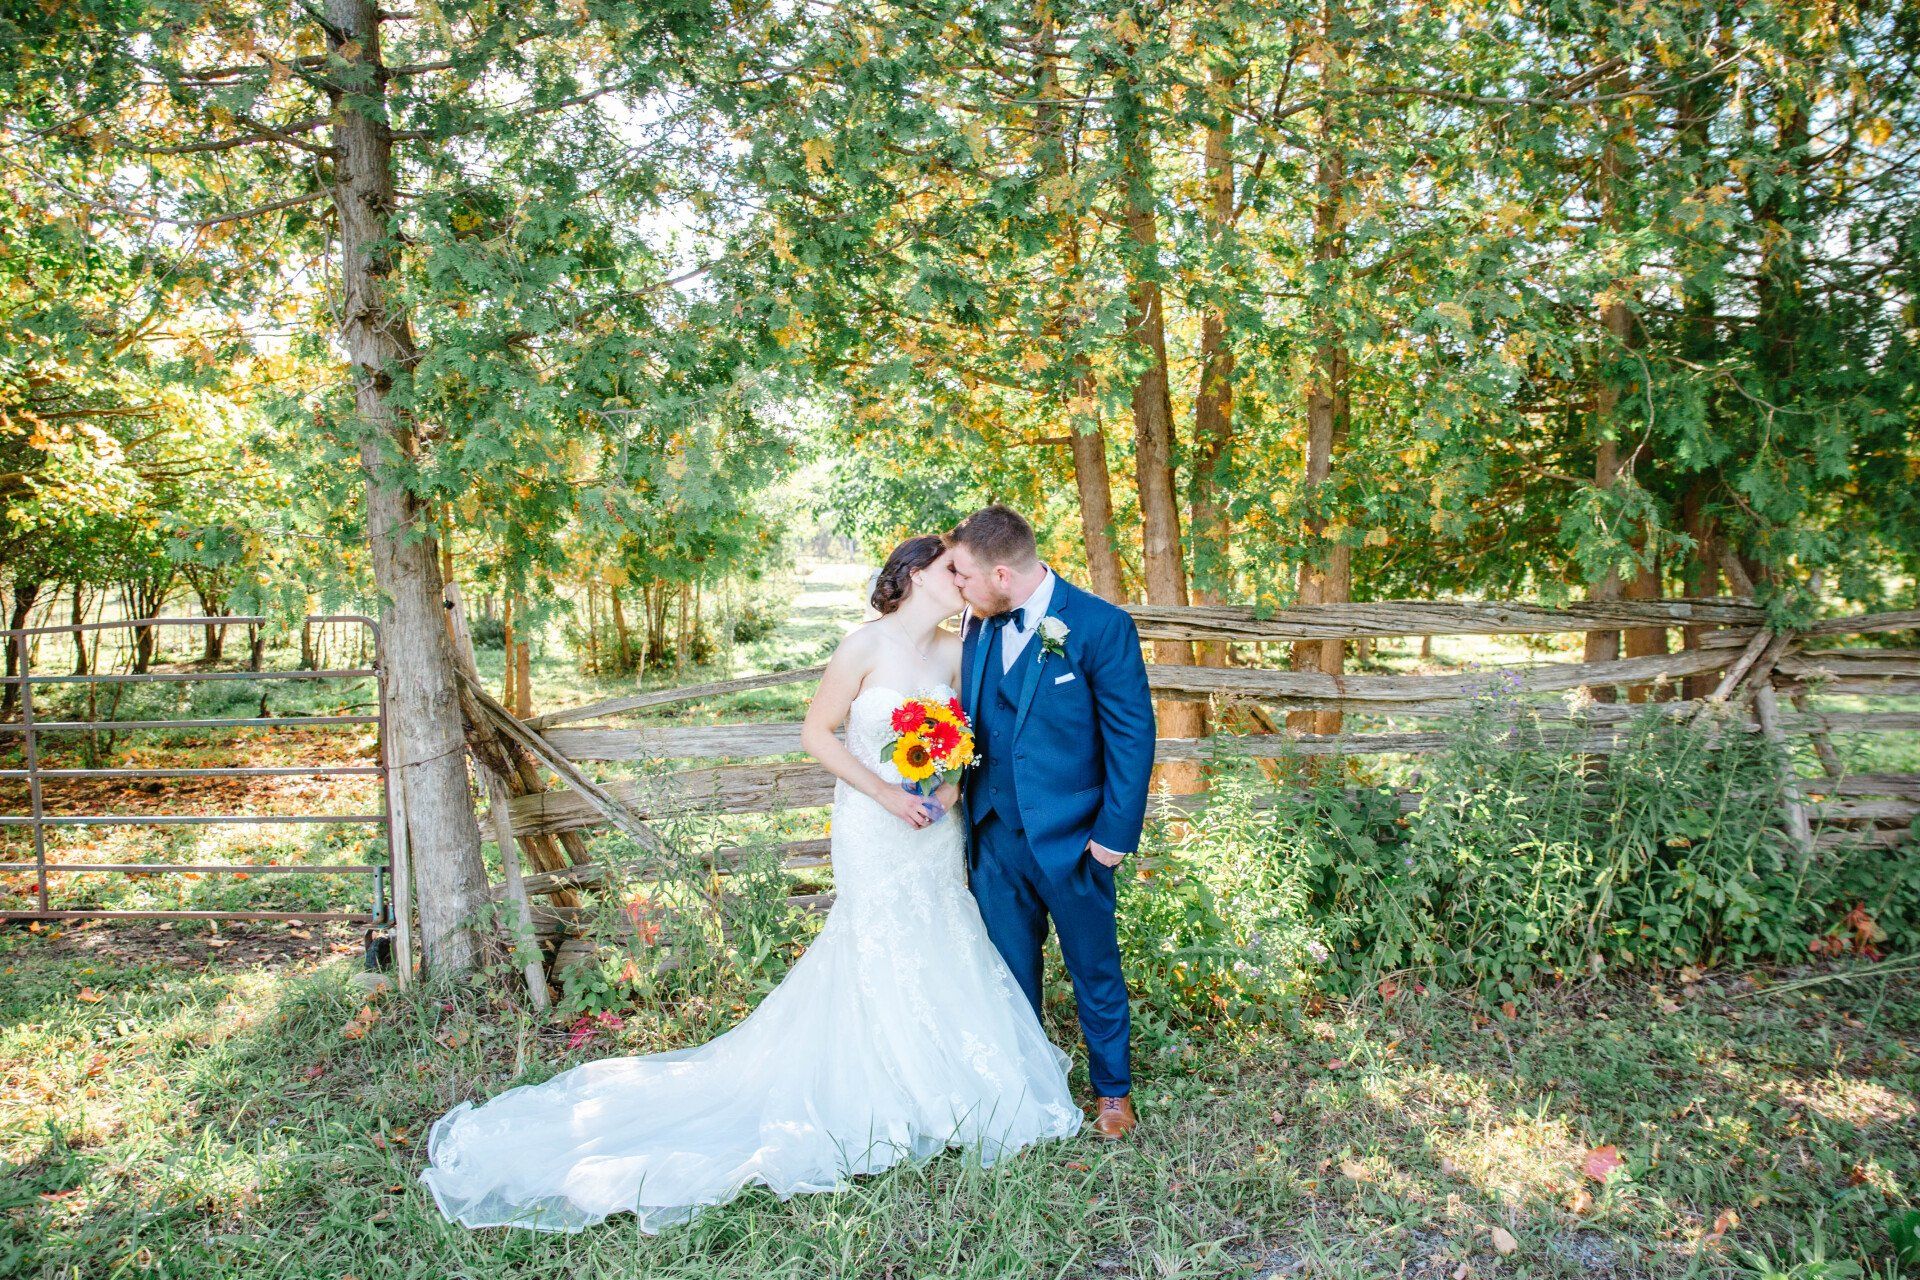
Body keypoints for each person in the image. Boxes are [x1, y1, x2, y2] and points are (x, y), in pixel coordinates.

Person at [419, 534, 1080, 1233]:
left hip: (933, 827)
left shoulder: (958, 651)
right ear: (915, 574)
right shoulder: (863, 646)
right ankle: (879, 1082)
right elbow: (817, 734)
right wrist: (887, 795)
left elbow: (968, 741)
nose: (965, 580)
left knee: (941, 926)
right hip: (873, 821)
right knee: (877, 933)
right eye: (952, 569)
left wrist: (945, 793)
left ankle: (943, 1079)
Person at [946, 505, 1155, 1139]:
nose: (957, 586)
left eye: (964, 575)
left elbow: (1132, 736)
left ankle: (1112, 1092)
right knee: (1009, 970)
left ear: (1002, 575)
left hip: (1076, 838)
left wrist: (1114, 836)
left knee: (1094, 968)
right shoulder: (976, 625)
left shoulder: (1100, 625)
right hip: (993, 832)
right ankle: (1027, 1088)